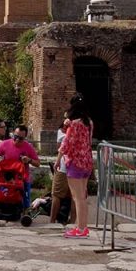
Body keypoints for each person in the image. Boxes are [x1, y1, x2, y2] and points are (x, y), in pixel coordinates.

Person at [59, 95, 94, 238]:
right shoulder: (89, 122)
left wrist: (58, 159)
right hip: (87, 160)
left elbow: (66, 144)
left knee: (77, 197)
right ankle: (83, 227)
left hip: (75, 162)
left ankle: (80, 229)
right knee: (82, 197)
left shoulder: (74, 124)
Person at [0, 125, 41, 208]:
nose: (17, 140)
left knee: (25, 200)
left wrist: (29, 160)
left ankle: (25, 211)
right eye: (15, 137)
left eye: (21, 138)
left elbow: (37, 163)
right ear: (13, 135)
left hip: (22, 178)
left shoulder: (28, 147)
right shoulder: (5, 144)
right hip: (6, 178)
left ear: (25, 138)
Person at [50, 116, 72, 225]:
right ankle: (73, 222)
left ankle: (52, 221)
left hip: (64, 167)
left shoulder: (66, 134)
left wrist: (57, 161)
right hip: (77, 167)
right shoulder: (84, 127)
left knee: (56, 194)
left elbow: (62, 148)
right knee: (75, 196)